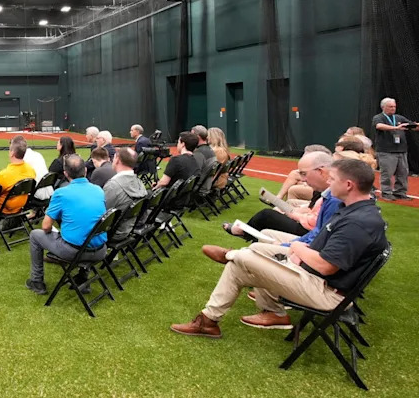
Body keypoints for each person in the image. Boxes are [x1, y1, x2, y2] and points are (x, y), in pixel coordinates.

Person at [171, 158, 388, 336]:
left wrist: (298, 249)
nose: (328, 184)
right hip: (314, 275)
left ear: (348, 185)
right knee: (255, 250)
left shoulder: (358, 221)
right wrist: (297, 250)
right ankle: (209, 320)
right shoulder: (352, 209)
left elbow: (326, 267)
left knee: (244, 259)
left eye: (332, 180)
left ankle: (232, 256)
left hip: (326, 291)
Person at [25, 154, 108, 295]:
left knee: (35, 235)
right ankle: (82, 277)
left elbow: (45, 227)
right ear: (86, 171)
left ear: (65, 174)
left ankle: (37, 281)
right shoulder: (98, 190)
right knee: (86, 228)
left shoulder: (61, 193)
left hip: (74, 251)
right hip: (100, 250)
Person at [222, 150, 335, 240]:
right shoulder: (327, 193)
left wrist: (292, 214)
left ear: (320, 171)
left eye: (304, 174)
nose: (303, 179)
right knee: (276, 214)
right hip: (310, 236)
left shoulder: (334, 197)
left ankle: (244, 238)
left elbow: (314, 227)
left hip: (308, 237)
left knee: (267, 216)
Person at [373, 97, 417, 200]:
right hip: (386, 151)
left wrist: (413, 125)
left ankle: (400, 192)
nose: (393, 108)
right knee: (387, 173)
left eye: (394, 106)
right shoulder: (378, 117)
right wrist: (396, 128)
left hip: (401, 150)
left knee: (403, 173)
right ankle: (386, 192)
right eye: (390, 106)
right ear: (383, 107)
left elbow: (412, 125)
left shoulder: (399, 118)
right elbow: (379, 126)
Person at [102, 148, 147, 241]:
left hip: (113, 233)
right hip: (129, 228)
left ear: (117, 160)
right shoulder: (139, 183)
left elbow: (102, 213)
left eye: (114, 158)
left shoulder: (113, 186)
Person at [0, 135, 37, 215]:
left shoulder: (4, 175)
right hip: (20, 208)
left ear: (12, 153)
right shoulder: (31, 170)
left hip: (3, 211)